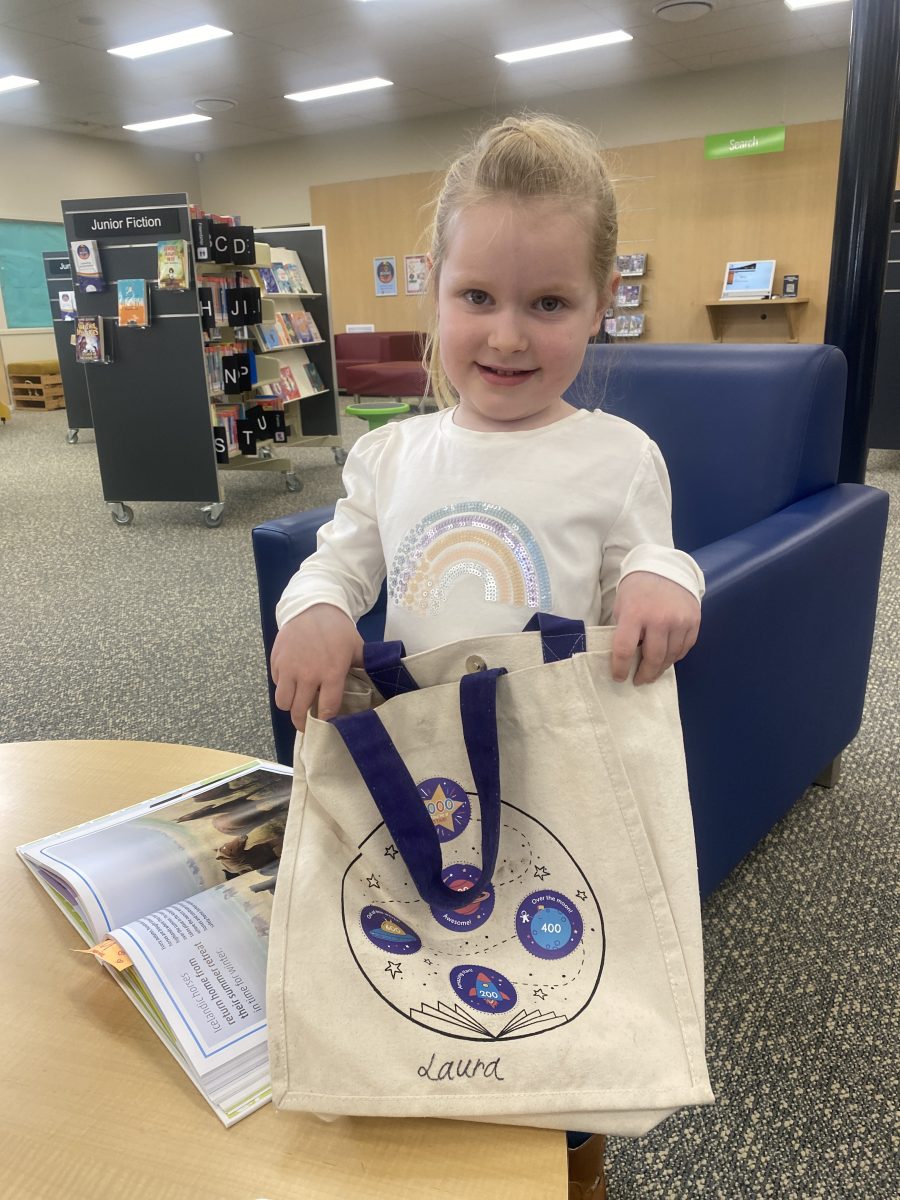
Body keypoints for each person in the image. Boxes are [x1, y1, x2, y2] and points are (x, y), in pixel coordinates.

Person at [270, 113, 704, 1200]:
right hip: (427, 764)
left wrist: (668, 578)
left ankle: (571, 1148)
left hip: (558, 764)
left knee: (563, 972)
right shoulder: (389, 456)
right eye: (479, 298)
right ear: (435, 288)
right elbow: (339, 565)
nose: (508, 336)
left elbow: (654, 555)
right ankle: (427, 1100)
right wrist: (315, 609)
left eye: (549, 304)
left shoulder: (616, 455)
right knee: (425, 956)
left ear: (602, 305)